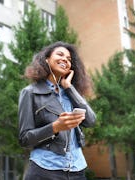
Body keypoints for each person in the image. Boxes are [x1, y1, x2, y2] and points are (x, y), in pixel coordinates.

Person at [18, 41, 96, 180]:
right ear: (46, 59)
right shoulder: (30, 93)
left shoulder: (71, 93)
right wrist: (55, 127)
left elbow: (90, 121)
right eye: (60, 54)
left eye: (69, 59)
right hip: (45, 169)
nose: (65, 59)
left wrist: (69, 87)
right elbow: (25, 139)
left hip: (77, 171)